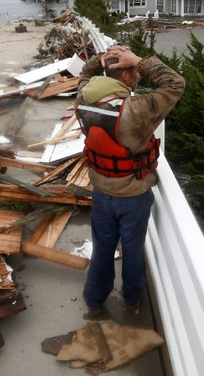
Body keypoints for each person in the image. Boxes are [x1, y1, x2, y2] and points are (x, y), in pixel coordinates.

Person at [75, 45, 185, 316]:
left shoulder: (83, 98)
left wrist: (102, 60)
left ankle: (94, 301)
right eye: (135, 72)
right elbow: (174, 83)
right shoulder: (136, 109)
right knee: (133, 251)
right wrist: (139, 59)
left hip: (101, 192)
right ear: (125, 78)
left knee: (102, 249)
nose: (138, 76)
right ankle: (132, 300)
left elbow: (85, 74)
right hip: (133, 196)